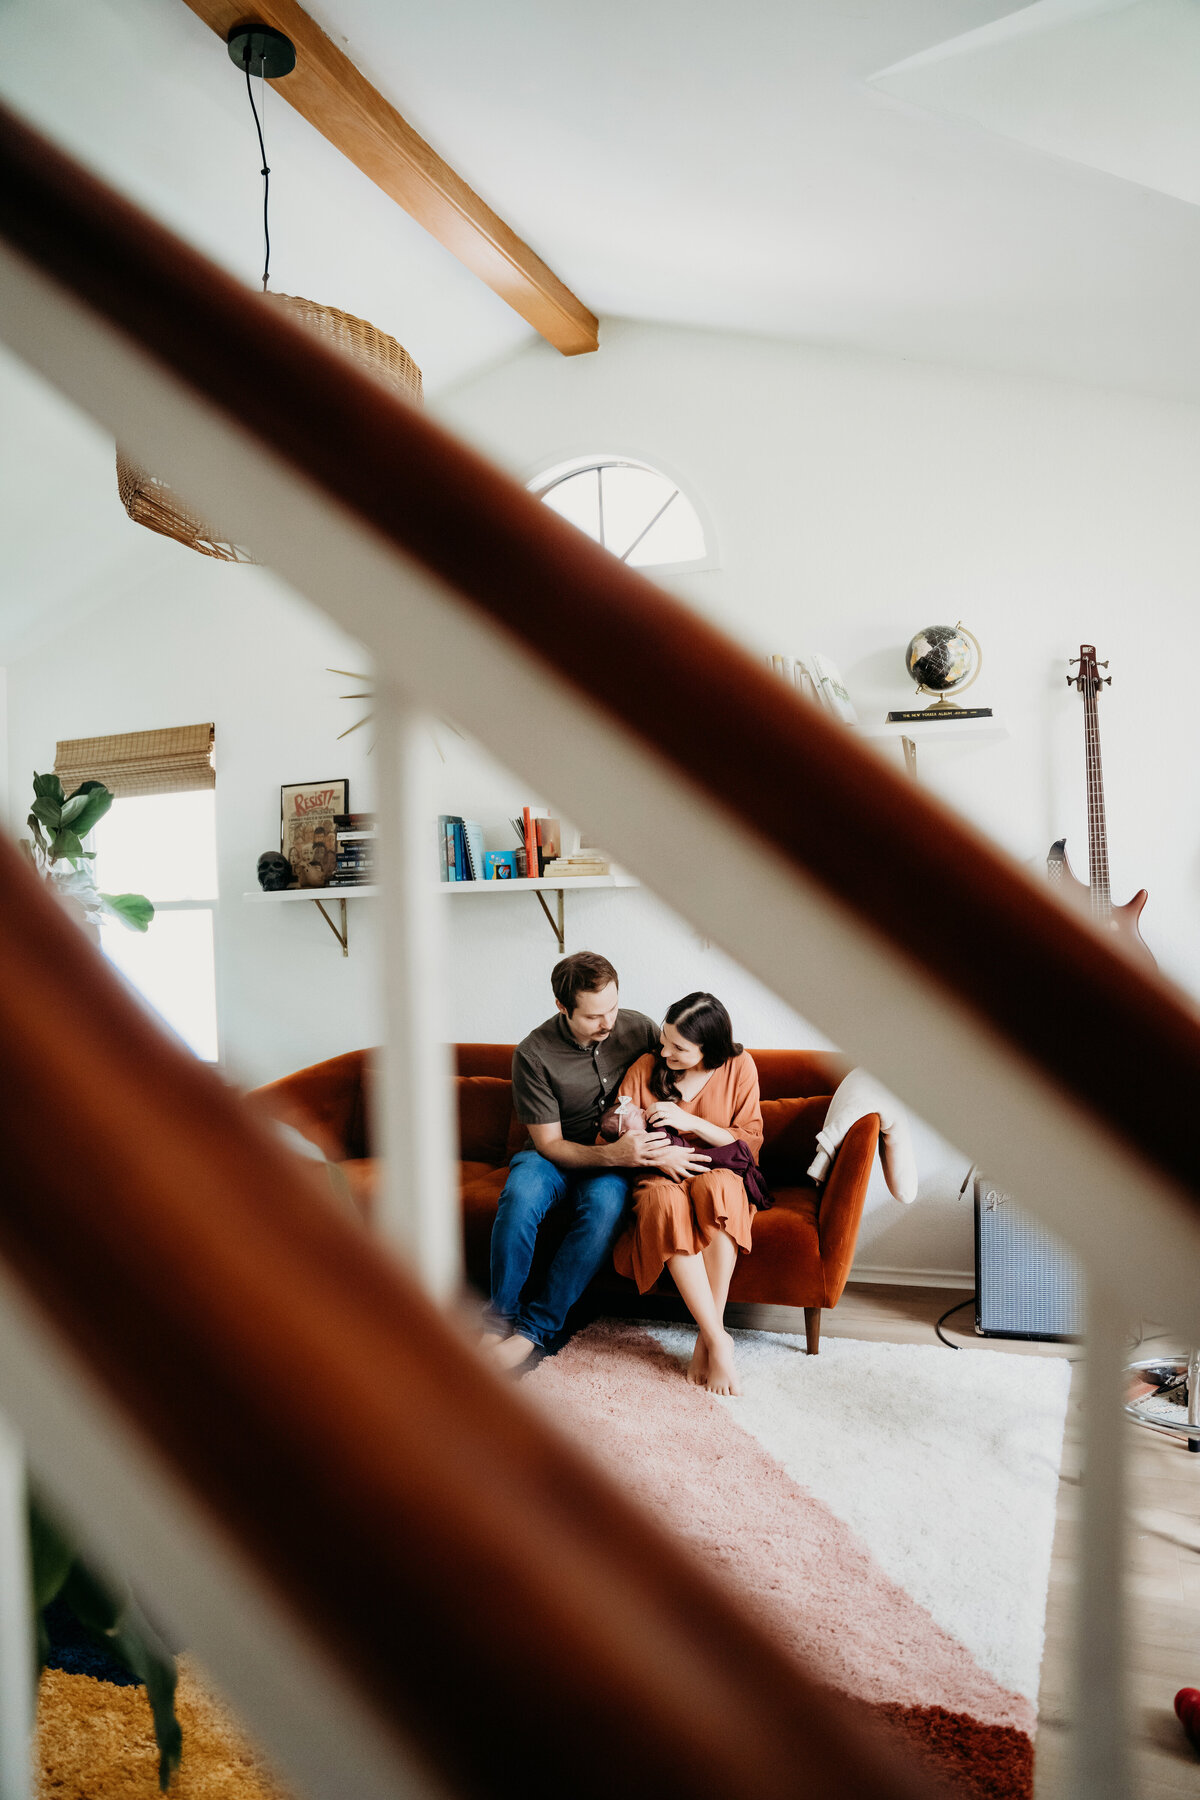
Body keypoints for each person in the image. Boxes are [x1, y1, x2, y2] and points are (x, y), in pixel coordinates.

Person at [483, 951, 669, 1371]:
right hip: (553, 1155)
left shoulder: (639, 1029)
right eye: (593, 1016)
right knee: (519, 1198)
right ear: (562, 1007)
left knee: (604, 1207)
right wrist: (612, 1154)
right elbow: (549, 1143)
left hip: (612, 1162)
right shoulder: (532, 1054)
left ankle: (533, 1331)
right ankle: (497, 1321)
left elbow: (679, 1072)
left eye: (613, 1009)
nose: (608, 1023)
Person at [611, 992, 763, 1396]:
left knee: (718, 1189)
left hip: (719, 1168)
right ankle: (717, 1337)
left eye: (678, 1047)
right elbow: (618, 1130)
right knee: (664, 1202)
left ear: (708, 1047)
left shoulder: (739, 1066)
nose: (664, 1051)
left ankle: (704, 1335)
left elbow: (749, 1142)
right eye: (664, 1040)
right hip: (661, 1171)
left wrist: (687, 1119)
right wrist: (662, 1157)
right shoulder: (646, 1067)